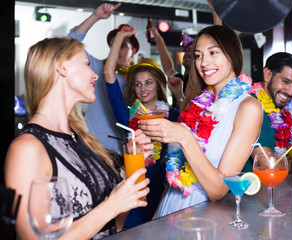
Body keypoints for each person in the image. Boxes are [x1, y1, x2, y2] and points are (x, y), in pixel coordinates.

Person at [4, 37, 151, 239]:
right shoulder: (28, 148)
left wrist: (134, 163)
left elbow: (113, 227)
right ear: (62, 67)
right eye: (87, 64)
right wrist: (111, 205)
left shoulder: (83, 140)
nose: (95, 75)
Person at [139, 25, 263, 217]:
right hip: (169, 209)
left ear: (232, 55)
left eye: (213, 52)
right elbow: (177, 170)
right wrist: (156, 218)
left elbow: (219, 190)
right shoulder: (198, 103)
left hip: (201, 216)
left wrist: (185, 137)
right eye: (198, 55)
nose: (204, 62)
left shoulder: (248, 108)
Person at [103, 25, 179, 226]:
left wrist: (179, 92)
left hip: (165, 195)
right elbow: (109, 75)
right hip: (136, 195)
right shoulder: (128, 116)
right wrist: (120, 36)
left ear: (158, 85)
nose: (143, 88)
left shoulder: (173, 115)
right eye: (137, 84)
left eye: (148, 82)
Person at [67, 3, 139, 155]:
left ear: (133, 51)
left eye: (123, 45)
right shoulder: (98, 68)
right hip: (96, 146)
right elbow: (69, 43)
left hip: (131, 149)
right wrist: (95, 17)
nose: (118, 49)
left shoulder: (140, 78)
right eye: (114, 44)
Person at [150, 0, 222, 110]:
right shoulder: (179, 79)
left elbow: (219, 42)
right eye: (187, 50)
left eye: (194, 53)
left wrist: (215, 11)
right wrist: (158, 39)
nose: (188, 53)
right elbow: (168, 67)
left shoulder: (202, 80)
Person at [249, 52, 292, 160]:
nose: (290, 92)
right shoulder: (252, 106)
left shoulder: (282, 113)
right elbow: (267, 164)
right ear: (267, 75)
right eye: (285, 82)